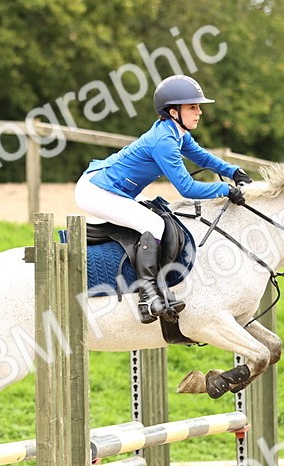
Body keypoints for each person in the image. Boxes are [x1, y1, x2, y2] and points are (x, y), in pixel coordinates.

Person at [76, 74, 251, 323]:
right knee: (154, 224)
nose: (199, 112)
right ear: (173, 111)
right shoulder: (164, 141)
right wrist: (225, 189)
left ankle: (159, 285)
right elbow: (186, 188)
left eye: (198, 107)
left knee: (165, 214)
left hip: (115, 188)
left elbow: (202, 158)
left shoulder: (177, 132)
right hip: (96, 191)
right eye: (193, 107)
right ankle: (147, 297)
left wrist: (233, 171)